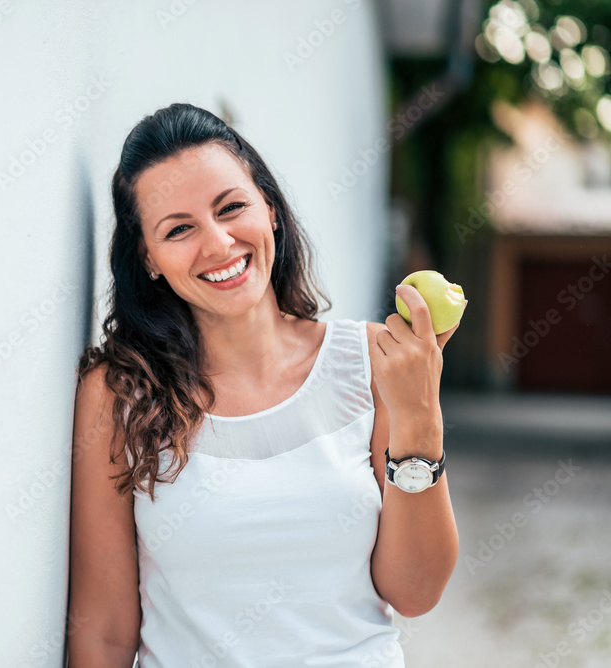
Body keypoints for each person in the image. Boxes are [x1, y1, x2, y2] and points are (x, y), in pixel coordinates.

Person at [67, 103, 464, 667]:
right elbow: (103, 632)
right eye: (179, 229)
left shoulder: (376, 360)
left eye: (231, 207)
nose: (218, 244)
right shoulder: (121, 394)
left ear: (270, 209)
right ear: (148, 258)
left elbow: (416, 591)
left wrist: (421, 417)